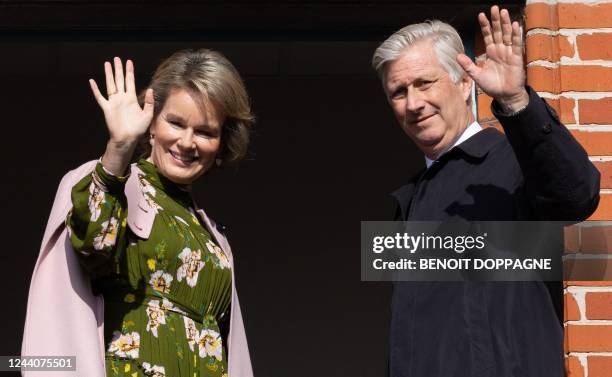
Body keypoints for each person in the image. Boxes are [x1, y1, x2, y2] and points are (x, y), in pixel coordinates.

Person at [371, 6, 600, 377]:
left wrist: (516, 103)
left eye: (424, 83)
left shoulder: (512, 161)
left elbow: (578, 195)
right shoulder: (409, 199)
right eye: (398, 92)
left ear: (464, 84)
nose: (413, 104)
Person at [22, 49, 254, 377]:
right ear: (152, 122)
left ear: (222, 142)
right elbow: (93, 246)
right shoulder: (109, 183)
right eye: (175, 122)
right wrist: (118, 150)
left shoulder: (210, 232)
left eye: (205, 132)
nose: (188, 142)